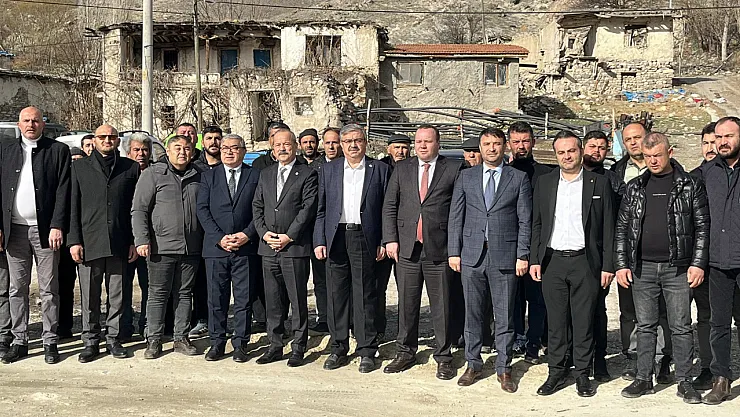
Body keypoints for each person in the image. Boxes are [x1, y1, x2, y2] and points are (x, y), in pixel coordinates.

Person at [615, 132, 708, 404]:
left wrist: (697, 263)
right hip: (642, 268)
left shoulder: (690, 185)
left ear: (670, 152)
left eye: (657, 155)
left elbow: (702, 227)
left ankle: (684, 381)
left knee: (680, 326)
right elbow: (622, 228)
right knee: (645, 326)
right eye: (648, 156)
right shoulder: (634, 187)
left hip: (677, 267)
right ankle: (643, 378)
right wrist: (621, 264)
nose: (653, 161)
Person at [530, 130, 615, 397]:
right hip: (553, 261)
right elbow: (537, 224)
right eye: (561, 152)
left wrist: (608, 265)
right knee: (556, 322)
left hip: (585, 262)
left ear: (580, 151)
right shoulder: (545, 182)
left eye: (571, 151)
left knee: (583, 321)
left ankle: (582, 374)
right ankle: (556, 371)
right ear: (556, 155)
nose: (567, 156)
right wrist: (535, 259)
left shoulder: (598, 183)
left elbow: (609, 228)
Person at [448, 127, 532, 392]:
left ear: (504, 146)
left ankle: (504, 367)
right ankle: (473, 363)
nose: (492, 149)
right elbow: (456, 216)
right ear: (480, 148)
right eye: (487, 144)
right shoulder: (466, 177)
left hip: (505, 256)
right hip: (472, 255)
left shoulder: (518, 178)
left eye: (496, 144)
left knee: (505, 316)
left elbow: (525, 220)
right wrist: (454, 251)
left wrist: (522, 254)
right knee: (472, 314)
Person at [382, 125, 463, 380]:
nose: (423, 146)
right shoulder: (402, 168)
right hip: (407, 249)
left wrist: (455, 248)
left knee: (441, 306)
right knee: (407, 304)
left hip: (439, 249)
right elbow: (390, 205)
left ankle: (444, 356)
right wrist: (390, 239)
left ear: (438, 143)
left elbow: (459, 210)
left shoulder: (453, 168)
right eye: (419, 141)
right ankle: (405, 352)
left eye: (428, 141)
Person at [313, 124, 391, 373]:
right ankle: (338, 347)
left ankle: (366, 349)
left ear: (365, 142)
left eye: (357, 140)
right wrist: (319, 240)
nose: (353, 145)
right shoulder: (329, 170)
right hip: (336, 237)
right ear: (341, 144)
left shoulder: (380, 169)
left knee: (365, 293)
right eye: (347, 141)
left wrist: (384, 240)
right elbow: (321, 209)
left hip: (365, 238)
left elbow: (387, 209)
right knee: (336, 294)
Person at [0, 106, 70, 364]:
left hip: (46, 231)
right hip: (14, 231)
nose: (31, 124)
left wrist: (57, 225)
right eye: (26, 121)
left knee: (49, 288)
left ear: (43, 124)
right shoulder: (6, 151)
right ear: (19, 124)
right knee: (16, 288)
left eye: (36, 120)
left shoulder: (57, 150)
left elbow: (63, 190)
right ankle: (20, 341)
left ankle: (50, 340)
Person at [68, 124, 141, 362]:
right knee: (89, 297)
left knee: (117, 295)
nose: (107, 140)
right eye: (102, 137)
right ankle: (90, 341)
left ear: (118, 140)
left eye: (111, 137)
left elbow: (135, 208)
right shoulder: (79, 167)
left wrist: (134, 240)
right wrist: (74, 241)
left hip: (120, 240)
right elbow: (72, 207)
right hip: (89, 241)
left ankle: (113, 339)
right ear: (95, 140)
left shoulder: (130, 167)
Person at [132, 135, 203, 359]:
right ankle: (154, 339)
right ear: (168, 152)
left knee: (184, 293)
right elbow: (139, 209)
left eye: (187, 148)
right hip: (161, 246)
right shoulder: (153, 174)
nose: (182, 152)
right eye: (177, 148)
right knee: (158, 294)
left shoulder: (199, 175)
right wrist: (142, 239)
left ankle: (181, 337)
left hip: (191, 247)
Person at [611, 122, 672, 382]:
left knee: (662, 310)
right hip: (629, 251)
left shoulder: (666, 169)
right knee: (629, 310)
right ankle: (634, 357)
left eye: (638, 137)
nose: (634, 142)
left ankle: (662, 358)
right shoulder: (616, 172)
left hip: (660, 253)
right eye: (628, 139)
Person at [253, 129, 318, 367]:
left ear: (295, 146)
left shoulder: (307, 173)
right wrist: (264, 233)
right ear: (272, 148)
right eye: (278, 145)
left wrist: (289, 236)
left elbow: (308, 209)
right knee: (273, 300)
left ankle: (299, 346)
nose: (282, 148)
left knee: (297, 299)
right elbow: (257, 205)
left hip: (294, 248)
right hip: (268, 247)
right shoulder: (266, 173)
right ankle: (275, 345)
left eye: (287, 144)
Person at [196, 134, 260, 362]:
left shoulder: (255, 175)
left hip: (246, 247)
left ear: (243, 151)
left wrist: (246, 234)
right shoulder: (208, 176)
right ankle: (217, 343)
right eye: (225, 148)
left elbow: (259, 209)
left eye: (234, 148)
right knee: (216, 299)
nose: (229, 152)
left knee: (243, 299)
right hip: (216, 248)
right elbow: (202, 210)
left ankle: (241, 343)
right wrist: (219, 238)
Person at [697, 116, 740, 404]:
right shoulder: (706, 172)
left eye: (729, 136)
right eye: (718, 137)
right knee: (719, 324)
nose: (722, 142)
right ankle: (721, 380)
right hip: (717, 262)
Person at [506, 121, 553, 362]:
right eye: (516, 142)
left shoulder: (547, 174)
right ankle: (516, 338)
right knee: (512, 297)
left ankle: (534, 342)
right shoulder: (504, 173)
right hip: (509, 244)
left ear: (533, 142)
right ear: (509, 144)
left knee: (537, 298)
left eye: (525, 141)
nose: (521, 146)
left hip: (538, 245)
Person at [581, 130, 626, 381]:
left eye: (601, 147)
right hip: (573, 253)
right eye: (592, 146)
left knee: (597, 309)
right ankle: (577, 358)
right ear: (583, 148)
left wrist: (610, 261)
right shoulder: (572, 176)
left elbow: (618, 221)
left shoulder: (613, 181)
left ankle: (599, 359)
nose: (596, 151)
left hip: (599, 255)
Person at [687, 121, 718, 390]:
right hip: (701, 259)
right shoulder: (693, 178)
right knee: (705, 315)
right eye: (705, 143)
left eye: (714, 142)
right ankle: (708, 367)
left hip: (728, 256)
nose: (710, 148)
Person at [120, 132, 156, 339]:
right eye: (136, 150)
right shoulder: (121, 174)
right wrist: (130, 240)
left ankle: (147, 325)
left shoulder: (156, 173)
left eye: (145, 150)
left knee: (149, 286)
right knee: (123, 287)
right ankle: (124, 327)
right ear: (128, 152)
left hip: (151, 241)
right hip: (126, 241)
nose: (141, 154)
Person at [190, 125, 223, 339]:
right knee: (201, 280)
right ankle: (202, 319)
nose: (213, 142)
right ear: (203, 142)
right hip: (200, 232)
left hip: (226, 233)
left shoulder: (229, 165)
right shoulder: (195, 168)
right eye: (209, 138)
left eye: (217, 138)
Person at [308, 127, 342, 333]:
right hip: (319, 229)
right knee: (321, 278)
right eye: (328, 142)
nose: (331, 146)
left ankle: (345, 318)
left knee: (342, 278)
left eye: (335, 142)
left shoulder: (348, 165)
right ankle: (324, 318)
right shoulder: (313, 168)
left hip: (342, 229)